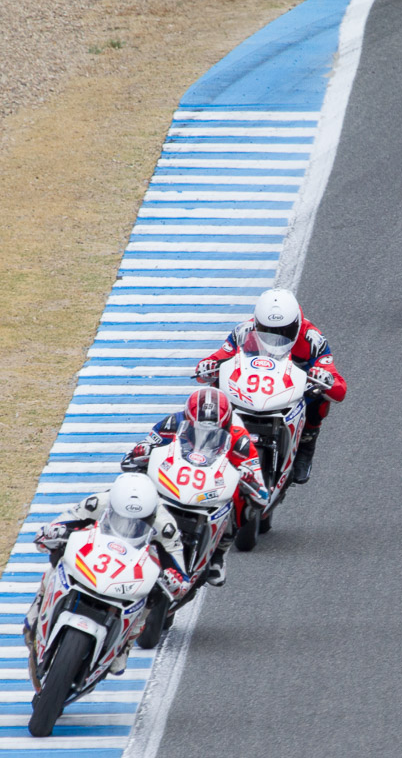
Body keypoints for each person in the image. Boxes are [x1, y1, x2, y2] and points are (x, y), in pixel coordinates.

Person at [24, 473, 189, 675]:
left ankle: (125, 646)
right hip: (96, 551)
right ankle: (39, 605)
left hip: (133, 565)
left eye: (142, 520)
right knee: (59, 558)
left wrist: (174, 579)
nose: (133, 523)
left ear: (153, 512)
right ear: (112, 505)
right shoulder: (97, 503)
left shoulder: (165, 526)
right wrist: (53, 533)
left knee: (153, 594)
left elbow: (180, 573)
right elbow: (63, 522)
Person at [194, 288, 347, 484]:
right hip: (251, 387)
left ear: (296, 325)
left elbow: (338, 386)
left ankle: (307, 442)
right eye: (267, 330)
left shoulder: (313, 339)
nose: (275, 336)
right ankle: (210, 439)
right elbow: (217, 358)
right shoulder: (243, 331)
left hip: (290, 387)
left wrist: (325, 378)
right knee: (213, 388)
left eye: (284, 331)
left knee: (321, 395)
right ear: (257, 323)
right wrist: (209, 366)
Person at [121, 387, 268, 586]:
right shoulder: (172, 423)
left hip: (212, 483)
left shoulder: (239, 437)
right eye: (199, 429)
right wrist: (141, 451)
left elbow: (260, 490)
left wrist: (249, 479)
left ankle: (219, 553)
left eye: (214, 431)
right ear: (188, 419)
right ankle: (124, 530)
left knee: (242, 498)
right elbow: (136, 453)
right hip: (174, 478)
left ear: (226, 425)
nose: (206, 434)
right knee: (132, 482)